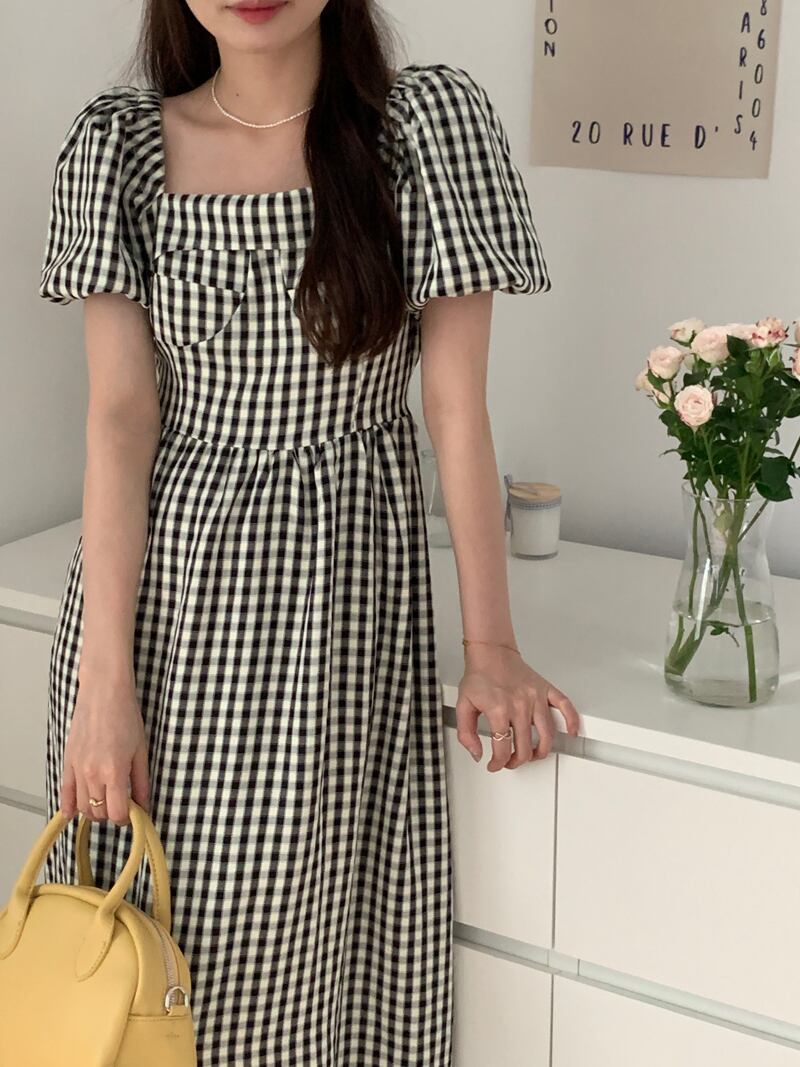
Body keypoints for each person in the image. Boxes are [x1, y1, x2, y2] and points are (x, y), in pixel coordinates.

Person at [37, 0, 580, 1063]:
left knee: (296, 967)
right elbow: (120, 419)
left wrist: (490, 645)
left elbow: (454, 407)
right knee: (141, 975)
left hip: (336, 616)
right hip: (161, 627)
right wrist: (103, 687)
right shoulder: (119, 149)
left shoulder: (424, 130)